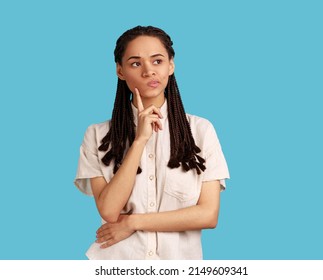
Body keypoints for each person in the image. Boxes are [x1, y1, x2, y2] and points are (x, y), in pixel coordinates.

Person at [74, 25, 229, 260]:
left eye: (157, 61)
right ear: (120, 70)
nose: (148, 71)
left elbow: (208, 215)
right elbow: (109, 211)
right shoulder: (97, 134)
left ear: (171, 65)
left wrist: (134, 222)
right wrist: (140, 141)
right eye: (135, 63)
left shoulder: (200, 130)